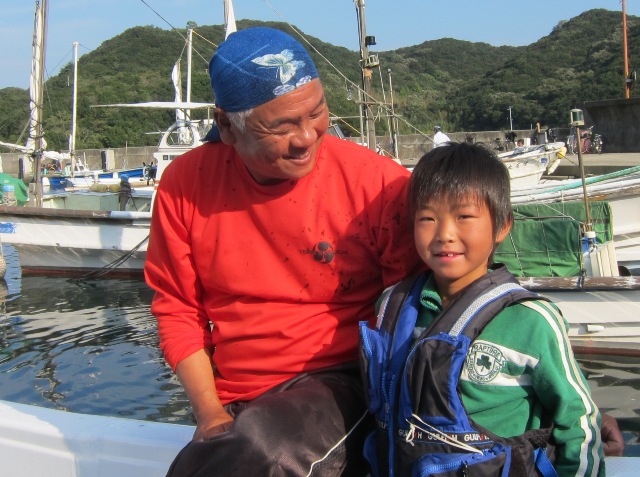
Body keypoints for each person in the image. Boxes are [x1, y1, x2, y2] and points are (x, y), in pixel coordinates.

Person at [144, 26, 421, 476]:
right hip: (241, 398)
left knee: (267, 452)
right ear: (226, 127)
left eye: (317, 113)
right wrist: (211, 414)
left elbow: (414, 308)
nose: (307, 137)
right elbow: (177, 308)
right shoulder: (184, 185)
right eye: (282, 126)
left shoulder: (379, 186)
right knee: (213, 458)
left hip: (343, 381)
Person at [359, 143, 605, 476]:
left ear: (502, 225)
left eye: (464, 217)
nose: (445, 234)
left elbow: (577, 419)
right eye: (428, 218)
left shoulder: (531, 321)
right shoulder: (392, 306)